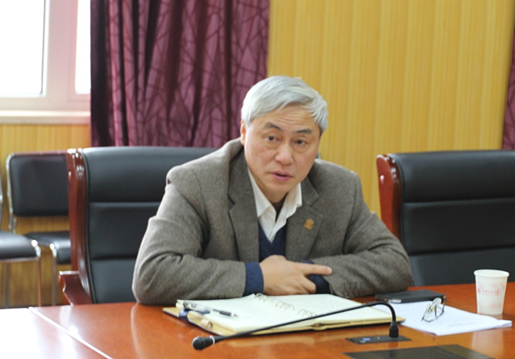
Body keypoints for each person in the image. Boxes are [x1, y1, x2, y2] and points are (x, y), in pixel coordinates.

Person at [133, 75, 411, 304]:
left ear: (317, 144)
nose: (285, 157)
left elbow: (394, 263)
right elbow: (153, 274)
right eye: (271, 138)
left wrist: (302, 276)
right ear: (243, 133)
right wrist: (260, 277)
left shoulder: (339, 187)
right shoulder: (197, 183)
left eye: (300, 142)